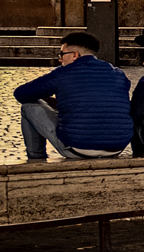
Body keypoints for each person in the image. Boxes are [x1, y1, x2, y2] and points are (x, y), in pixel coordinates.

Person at [14, 32, 129, 162]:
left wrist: (46, 99)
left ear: (75, 54)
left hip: (78, 148)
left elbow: (20, 94)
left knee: (28, 107)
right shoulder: (118, 73)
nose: (60, 60)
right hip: (117, 147)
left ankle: (36, 160)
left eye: (62, 54)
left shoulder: (63, 73)